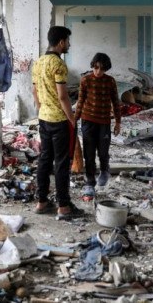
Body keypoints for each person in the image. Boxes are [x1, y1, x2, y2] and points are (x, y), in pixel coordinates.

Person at [32, 26, 83, 220]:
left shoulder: (38, 63)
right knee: (61, 163)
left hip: (44, 118)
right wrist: (72, 119)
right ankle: (63, 206)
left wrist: (41, 110)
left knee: (44, 159)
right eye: (68, 41)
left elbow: (35, 92)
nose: (69, 44)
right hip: (59, 121)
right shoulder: (59, 65)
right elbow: (63, 97)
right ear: (61, 42)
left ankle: (42, 202)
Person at [74, 53, 122, 197]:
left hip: (104, 122)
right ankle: (90, 182)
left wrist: (118, 122)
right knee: (89, 153)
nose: (98, 71)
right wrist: (74, 120)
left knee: (103, 151)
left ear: (106, 69)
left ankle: (104, 171)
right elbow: (80, 101)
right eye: (96, 67)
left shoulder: (110, 81)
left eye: (102, 69)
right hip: (87, 121)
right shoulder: (85, 80)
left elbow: (115, 102)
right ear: (92, 66)